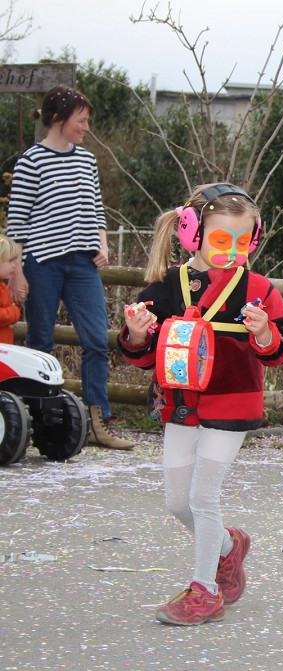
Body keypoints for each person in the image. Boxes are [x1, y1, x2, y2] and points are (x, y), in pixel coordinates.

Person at [119, 183, 283, 625]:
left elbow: (281, 350)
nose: (233, 251)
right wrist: (138, 334)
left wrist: (264, 334)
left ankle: (204, 589)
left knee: (202, 497)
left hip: (232, 406)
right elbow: (141, 355)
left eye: (242, 242)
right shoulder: (163, 287)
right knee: (177, 502)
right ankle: (227, 548)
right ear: (192, 232)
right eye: (221, 240)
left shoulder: (260, 290)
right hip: (181, 405)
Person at [6, 85, 133, 449]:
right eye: (82, 120)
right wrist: (18, 271)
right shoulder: (31, 160)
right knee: (40, 341)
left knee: (96, 339)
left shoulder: (86, 160)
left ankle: (96, 422)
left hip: (82, 263)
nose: (86, 127)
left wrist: (103, 243)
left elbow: (95, 206)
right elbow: (17, 221)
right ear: (59, 119)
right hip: (42, 263)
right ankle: (39, 422)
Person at [0, 236, 22, 344]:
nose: (14, 265)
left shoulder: (3, 287)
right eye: (10, 261)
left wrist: (16, 303)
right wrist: (14, 312)